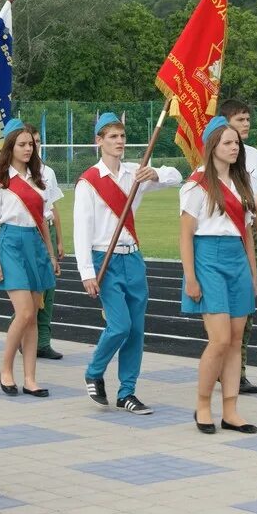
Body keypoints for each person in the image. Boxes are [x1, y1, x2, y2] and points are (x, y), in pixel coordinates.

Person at [75, 112, 181, 414]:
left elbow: (177, 175)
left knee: (136, 329)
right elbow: (81, 232)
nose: (120, 142)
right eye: (112, 137)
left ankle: (127, 391)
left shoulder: (136, 172)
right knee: (119, 326)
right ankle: (94, 371)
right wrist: (87, 273)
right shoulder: (89, 182)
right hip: (103, 258)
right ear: (99, 142)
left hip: (132, 256)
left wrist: (157, 174)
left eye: (122, 136)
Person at [180, 117, 257, 435]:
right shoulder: (196, 185)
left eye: (236, 143)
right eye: (227, 142)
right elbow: (186, 236)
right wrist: (190, 277)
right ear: (212, 146)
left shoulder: (242, 183)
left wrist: (253, 273)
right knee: (220, 339)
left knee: (236, 341)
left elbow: (247, 234)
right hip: (208, 259)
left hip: (237, 260)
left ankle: (231, 411)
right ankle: (202, 406)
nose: (234, 147)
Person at [0, 120, 60, 397]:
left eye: (31, 144)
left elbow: (44, 220)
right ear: (10, 147)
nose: (28, 148)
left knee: (34, 315)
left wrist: (51, 255)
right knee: (24, 311)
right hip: (10, 243)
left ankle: (30, 378)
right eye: (23, 144)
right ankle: (5, 369)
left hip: (37, 244)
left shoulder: (41, 179)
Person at [220, 99, 257, 394]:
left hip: (247, 233)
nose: (246, 124)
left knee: (246, 307)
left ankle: (237, 372)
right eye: (240, 119)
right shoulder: (214, 155)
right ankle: (221, 365)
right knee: (220, 308)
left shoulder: (255, 157)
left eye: (248, 119)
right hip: (224, 236)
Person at [32, 130, 65, 359]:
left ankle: (43, 342)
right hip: (29, 231)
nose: (33, 146)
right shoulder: (15, 173)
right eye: (28, 142)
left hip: (48, 230)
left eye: (37, 142)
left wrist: (60, 239)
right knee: (32, 291)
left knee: (49, 289)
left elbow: (52, 208)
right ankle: (24, 336)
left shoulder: (48, 172)